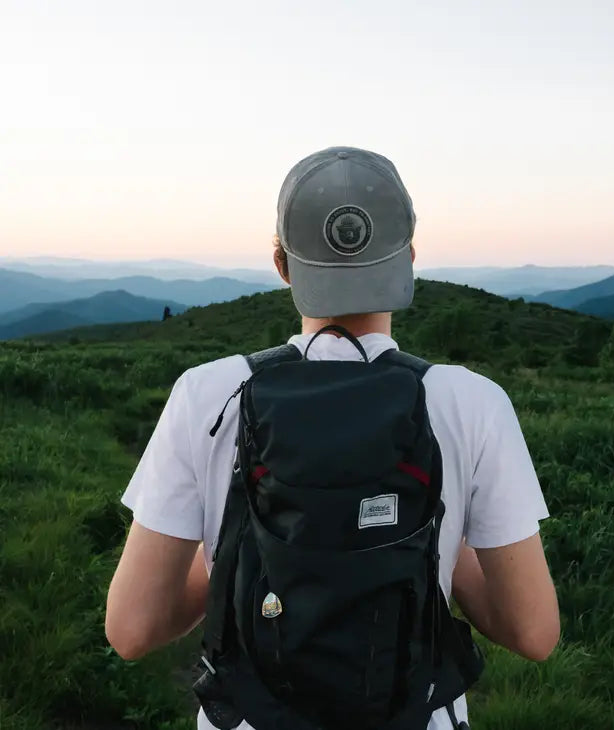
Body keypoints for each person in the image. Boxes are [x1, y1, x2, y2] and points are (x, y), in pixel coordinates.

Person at [106, 146, 560, 730]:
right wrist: (435, 543)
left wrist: (244, 551)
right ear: (410, 257)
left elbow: (131, 628)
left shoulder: (208, 394)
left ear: (281, 263)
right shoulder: (472, 402)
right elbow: (534, 632)